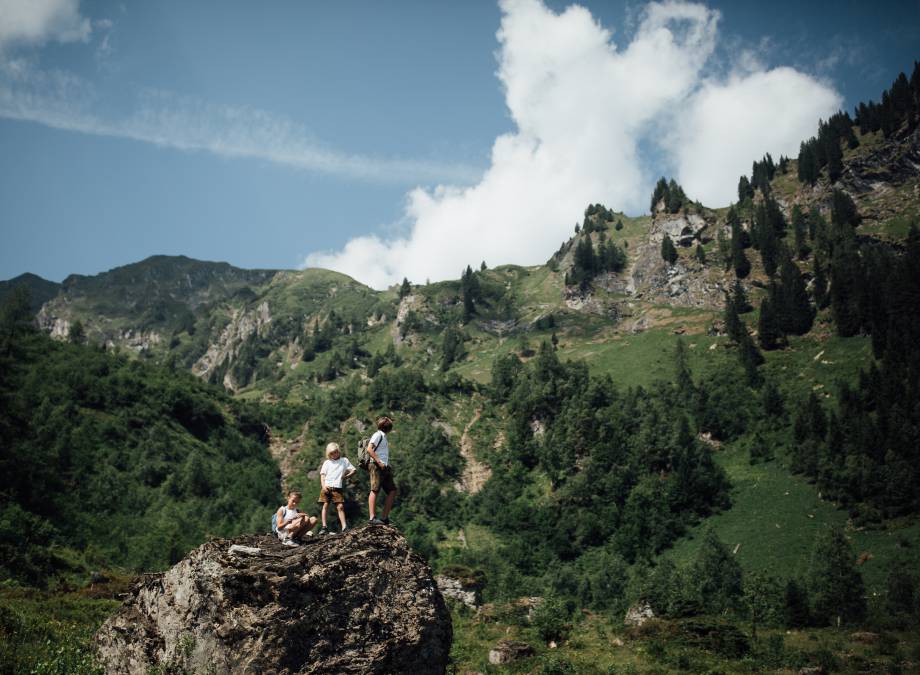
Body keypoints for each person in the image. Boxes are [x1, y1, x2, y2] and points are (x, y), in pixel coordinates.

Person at [317, 442, 356, 534]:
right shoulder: (327, 462)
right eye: (332, 453)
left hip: (337, 487)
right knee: (325, 505)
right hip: (327, 486)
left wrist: (346, 477)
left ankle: (344, 527)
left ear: (339, 451)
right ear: (328, 454)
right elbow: (322, 475)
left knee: (340, 507)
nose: (334, 454)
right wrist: (323, 486)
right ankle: (324, 527)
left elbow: (354, 470)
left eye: (335, 452)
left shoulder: (344, 460)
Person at [367, 415, 398, 525]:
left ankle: (384, 517)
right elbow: (369, 449)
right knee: (374, 490)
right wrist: (379, 462)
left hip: (384, 467)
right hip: (377, 466)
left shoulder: (383, 436)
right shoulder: (378, 435)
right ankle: (372, 518)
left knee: (392, 490)